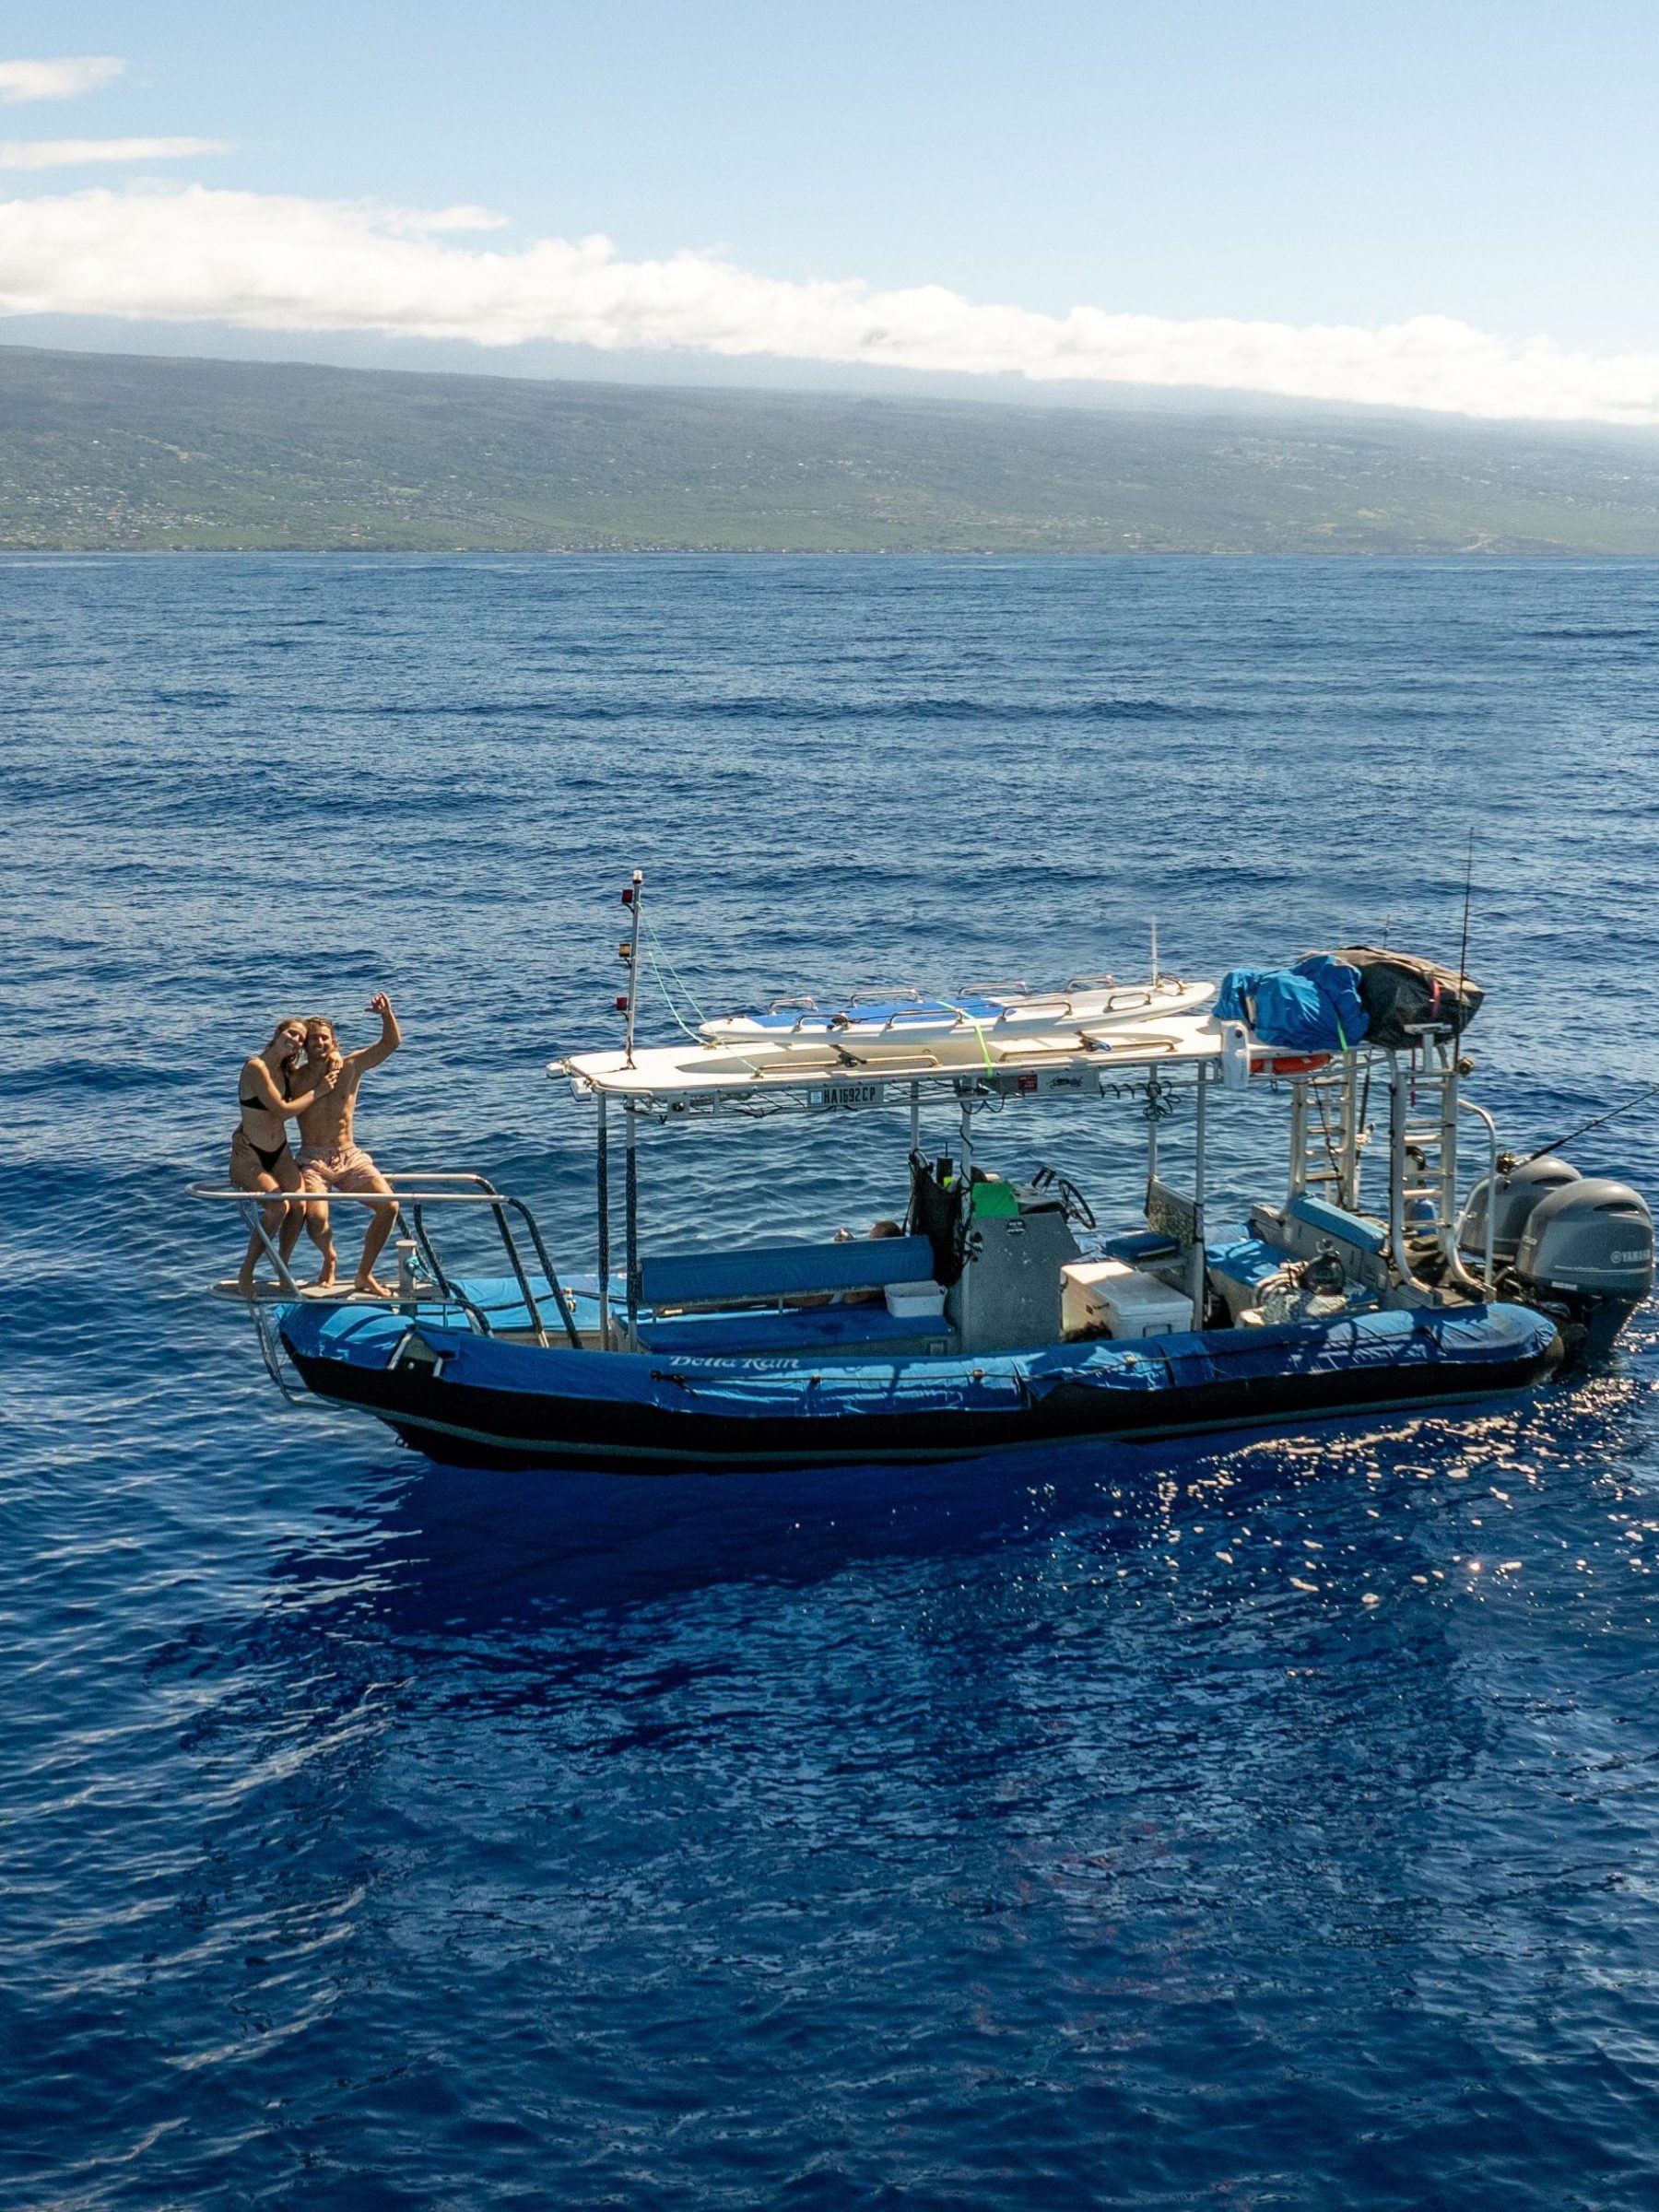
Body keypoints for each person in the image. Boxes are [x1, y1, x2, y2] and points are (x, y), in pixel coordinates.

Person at [293, 994, 404, 1296]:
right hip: (313, 1159)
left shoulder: (350, 1067)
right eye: (312, 1038)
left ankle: (364, 1275)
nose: (318, 1042)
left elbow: (390, 1044)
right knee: (315, 1219)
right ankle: (329, 1256)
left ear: (333, 1041)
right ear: (304, 1045)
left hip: (349, 1155)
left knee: (389, 1206)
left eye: (324, 1038)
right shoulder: (295, 1078)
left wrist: (386, 1014)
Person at [229, 1017, 326, 1297]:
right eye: (292, 1033)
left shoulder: (286, 1070)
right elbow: (282, 1110)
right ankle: (246, 1271)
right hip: (249, 1156)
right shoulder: (256, 1067)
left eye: (300, 1039)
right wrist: (320, 1091)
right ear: (278, 1033)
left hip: (279, 1151)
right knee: (277, 1207)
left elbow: (258, 1113)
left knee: (300, 1204)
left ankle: (283, 1268)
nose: (295, 1040)